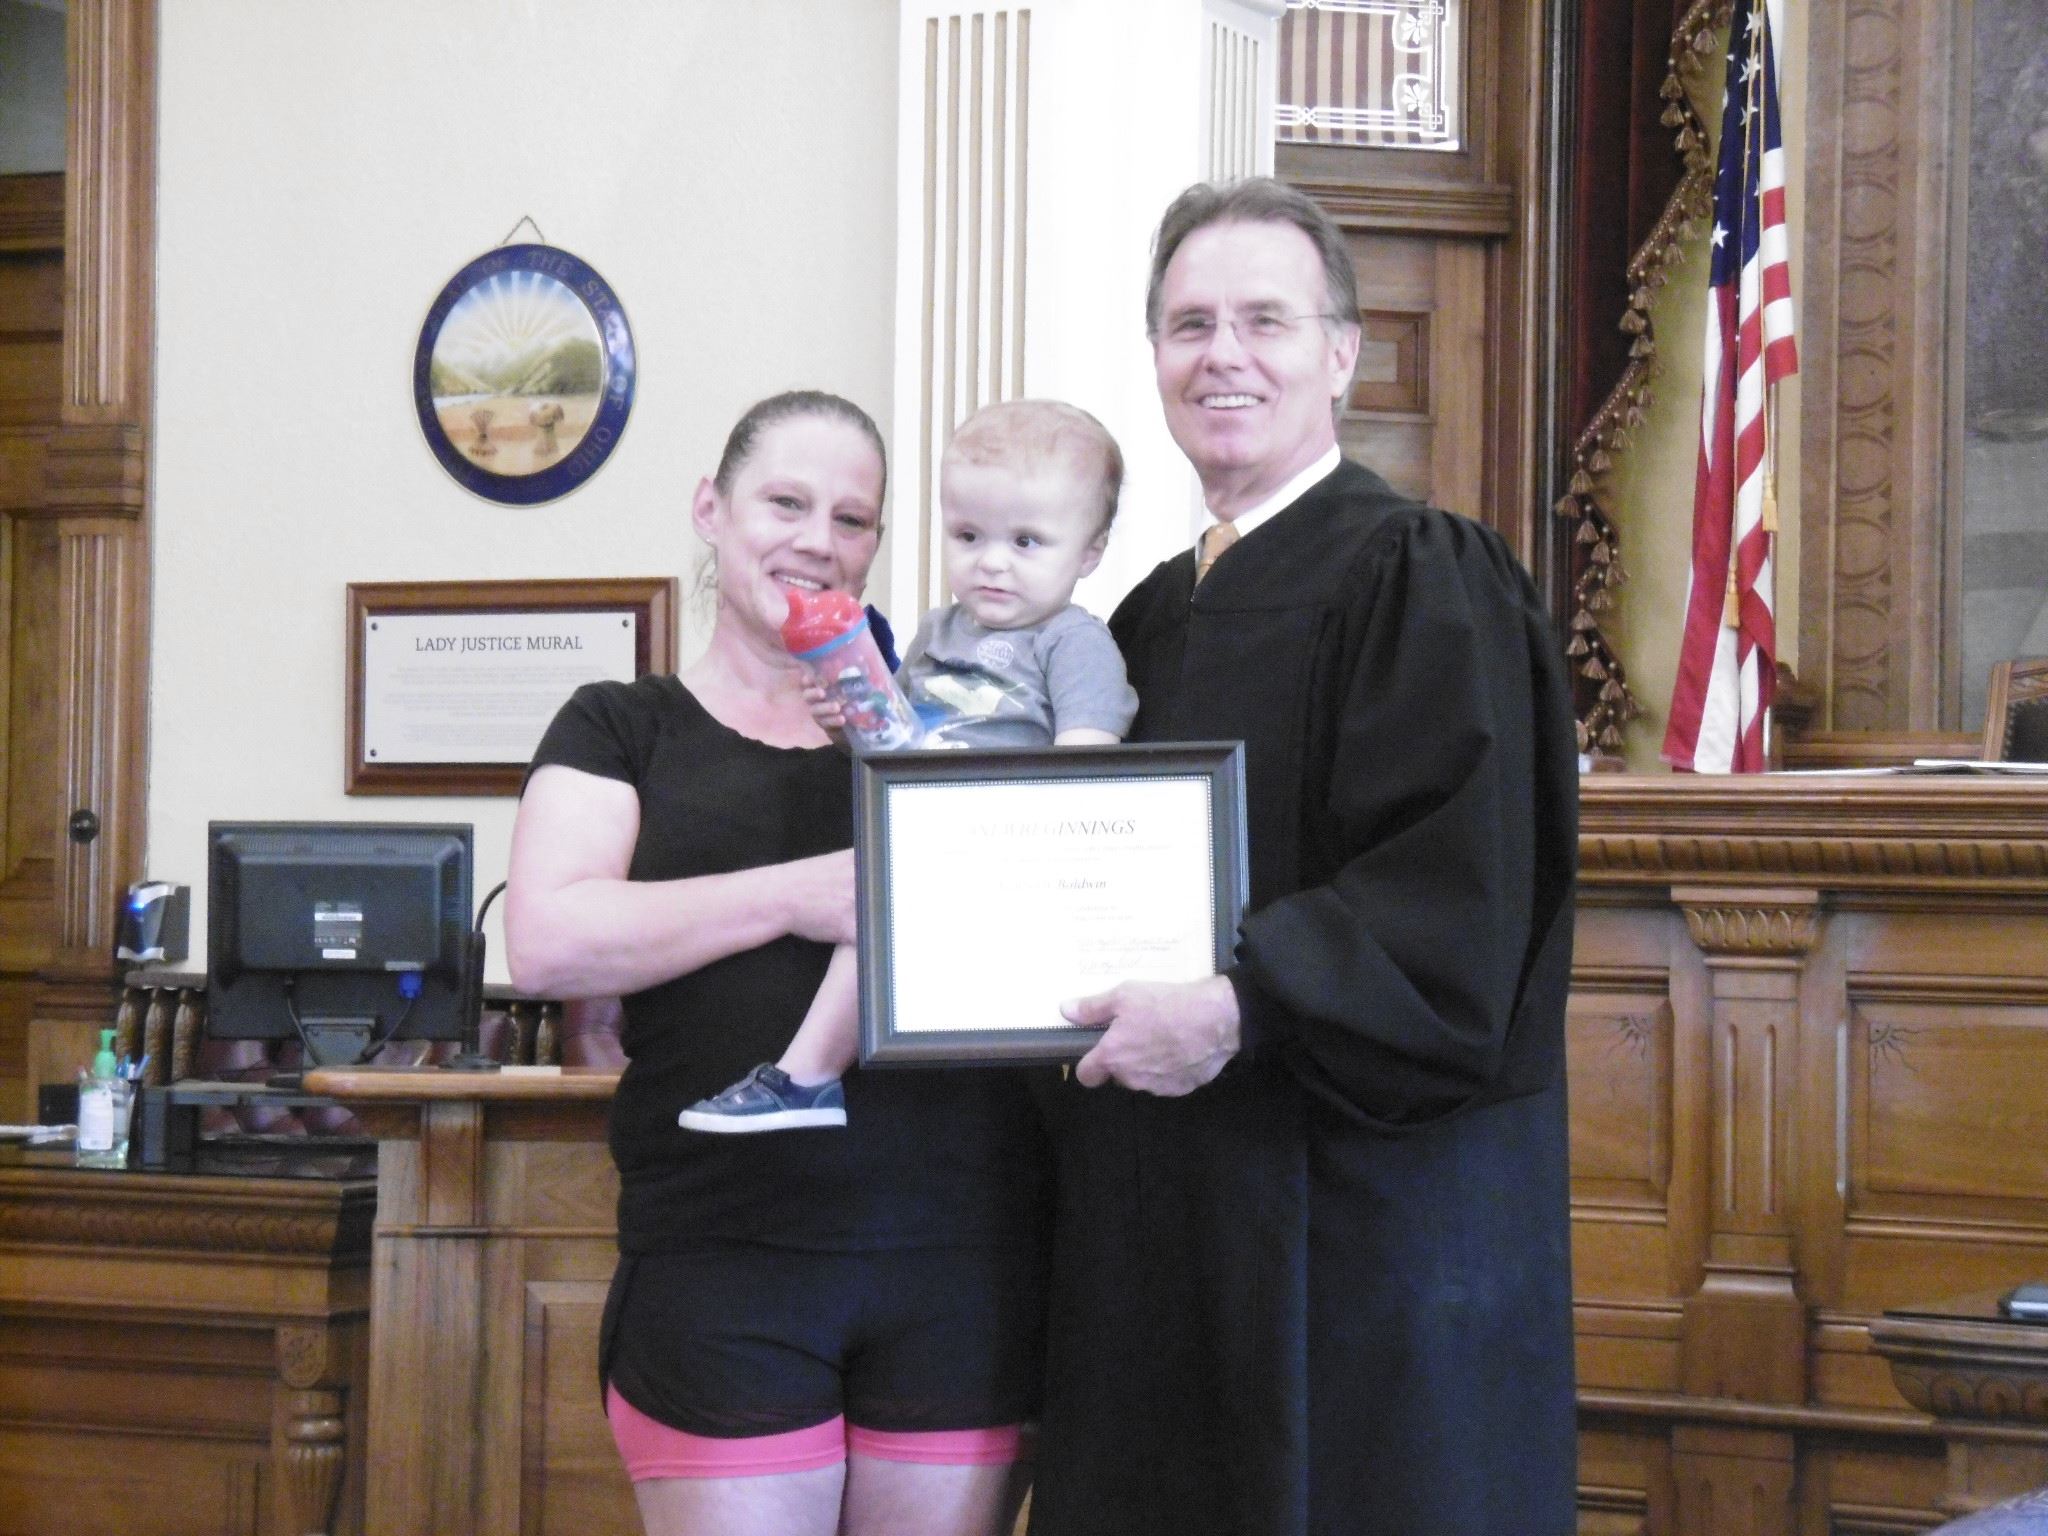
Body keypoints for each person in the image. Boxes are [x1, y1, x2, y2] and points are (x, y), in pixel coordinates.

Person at [1026, 179, 1581, 1536]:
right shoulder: (1149, 617)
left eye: (1265, 321)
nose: (1224, 355)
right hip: (1168, 1231)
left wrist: (1241, 1003)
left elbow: (1462, 901)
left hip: (1360, 1238)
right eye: (1188, 324)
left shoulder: (1425, 576)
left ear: (1341, 352)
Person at [505, 390, 1049, 1536]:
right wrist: (797, 898)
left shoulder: (945, 721)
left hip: (961, 1250)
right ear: (711, 508)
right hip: (723, 1259)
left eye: (852, 519)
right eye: (785, 502)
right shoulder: (620, 724)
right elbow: (549, 938)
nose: (818, 538)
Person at [679, 398, 1139, 1133]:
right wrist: (848, 729)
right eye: (968, 534)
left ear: (1088, 552)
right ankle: (811, 1074)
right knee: (869, 902)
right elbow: (900, 744)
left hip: (1008, 847)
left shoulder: (1072, 642)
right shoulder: (936, 631)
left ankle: (806, 1073)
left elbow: (1089, 769)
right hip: (929, 819)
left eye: (1027, 541)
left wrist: (1020, 842)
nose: (991, 561)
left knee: (880, 901)